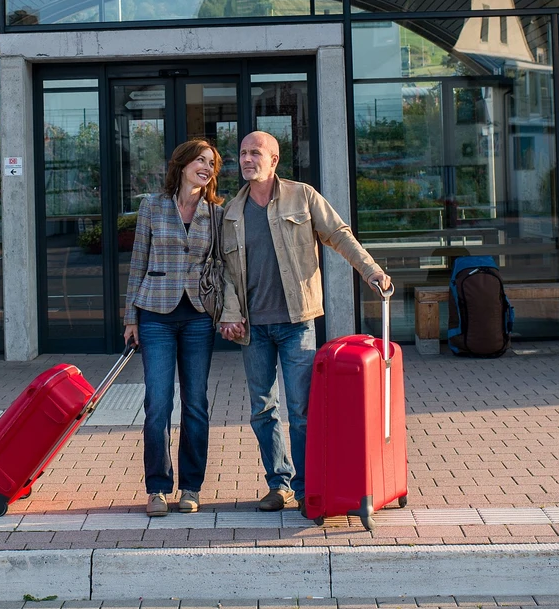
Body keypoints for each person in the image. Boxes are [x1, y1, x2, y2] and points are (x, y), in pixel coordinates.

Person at [217, 130, 393, 511]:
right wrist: (230, 313)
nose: (247, 159)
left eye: (255, 153)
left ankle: (307, 486)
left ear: (274, 159)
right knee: (263, 410)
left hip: (297, 322)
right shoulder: (231, 212)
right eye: (243, 153)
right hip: (254, 328)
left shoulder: (303, 196)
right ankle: (278, 483)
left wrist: (371, 271)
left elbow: (339, 235)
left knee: (301, 411)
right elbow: (225, 272)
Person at [122, 137, 224, 517]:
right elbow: (138, 262)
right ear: (181, 164)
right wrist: (130, 316)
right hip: (155, 314)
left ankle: (191, 487)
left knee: (196, 403)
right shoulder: (152, 205)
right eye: (200, 160)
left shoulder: (216, 211)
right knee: (157, 404)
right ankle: (157, 489)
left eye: (212, 163)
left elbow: (223, 265)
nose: (206, 167)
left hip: (198, 315)